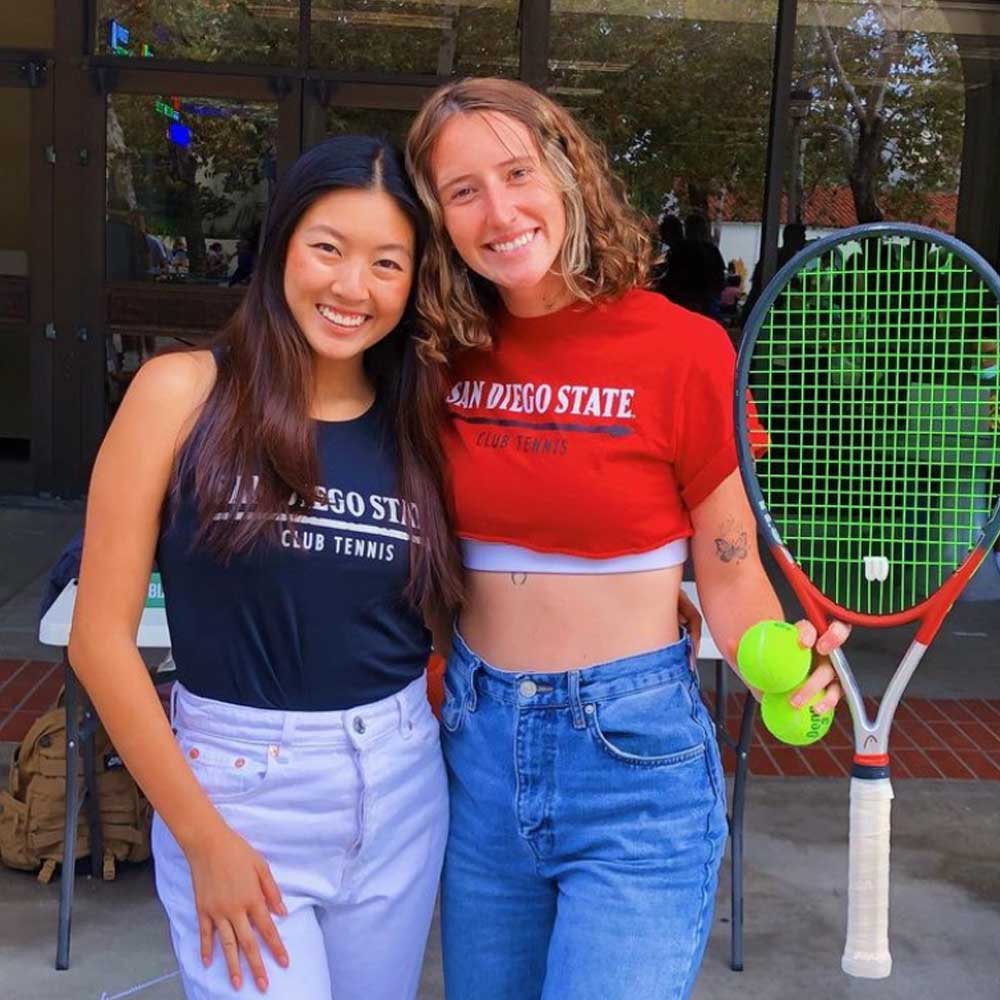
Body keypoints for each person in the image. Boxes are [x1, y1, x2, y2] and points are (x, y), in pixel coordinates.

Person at [406, 78, 848, 1000]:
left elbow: (728, 569)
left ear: (567, 173)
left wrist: (777, 663)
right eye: (462, 190)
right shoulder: (438, 353)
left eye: (517, 171)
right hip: (476, 752)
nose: (499, 210)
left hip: (634, 758)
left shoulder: (684, 349)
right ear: (437, 217)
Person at [68, 135, 462, 999]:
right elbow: (98, 641)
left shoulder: (419, 422)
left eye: (388, 263)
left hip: (399, 783)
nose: (353, 287)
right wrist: (204, 840)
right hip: (238, 791)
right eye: (329, 248)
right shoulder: (183, 393)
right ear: (282, 242)